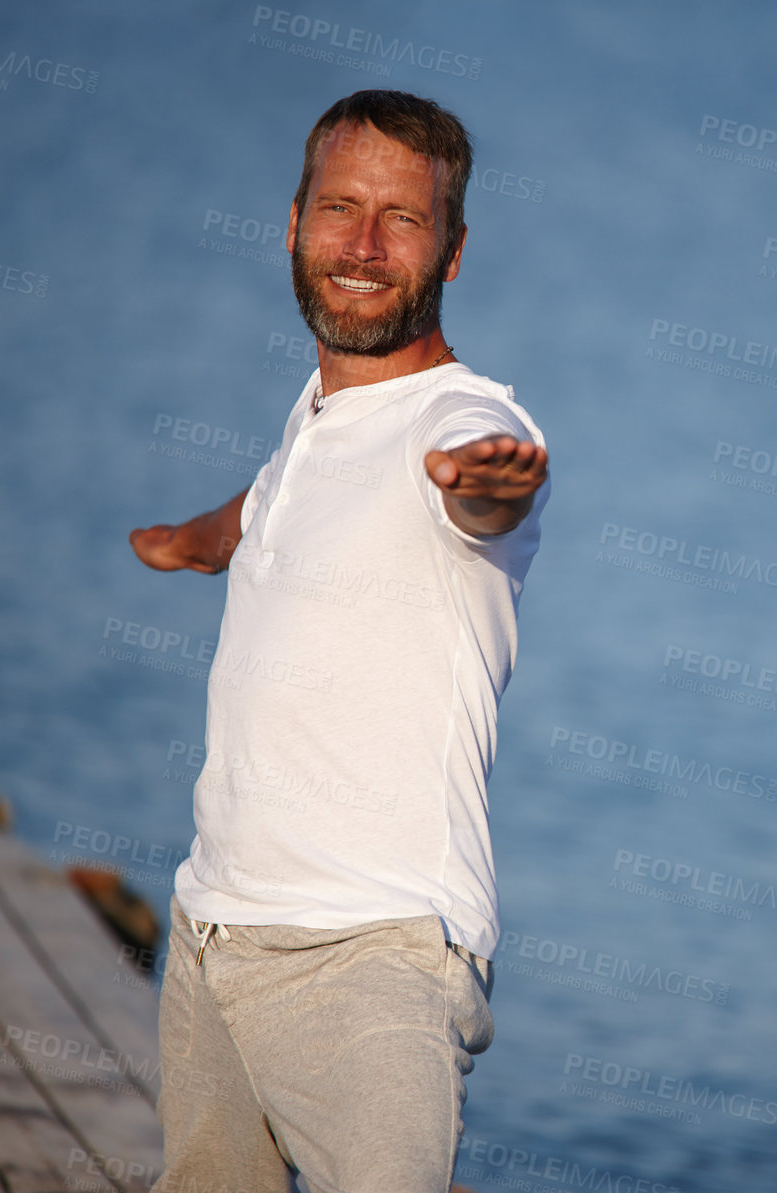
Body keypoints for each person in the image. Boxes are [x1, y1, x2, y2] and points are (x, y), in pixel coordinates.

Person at [129, 90, 549, 1193]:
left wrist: (492, 488)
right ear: (292, 223)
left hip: (373, 957)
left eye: (402, 219)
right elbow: (277, 503)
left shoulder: (459, 425)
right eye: (339, 208)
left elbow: (479, 488)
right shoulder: (316, 418)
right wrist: (198, 538)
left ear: (452, 252)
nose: (362, 246)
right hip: (213, 927)